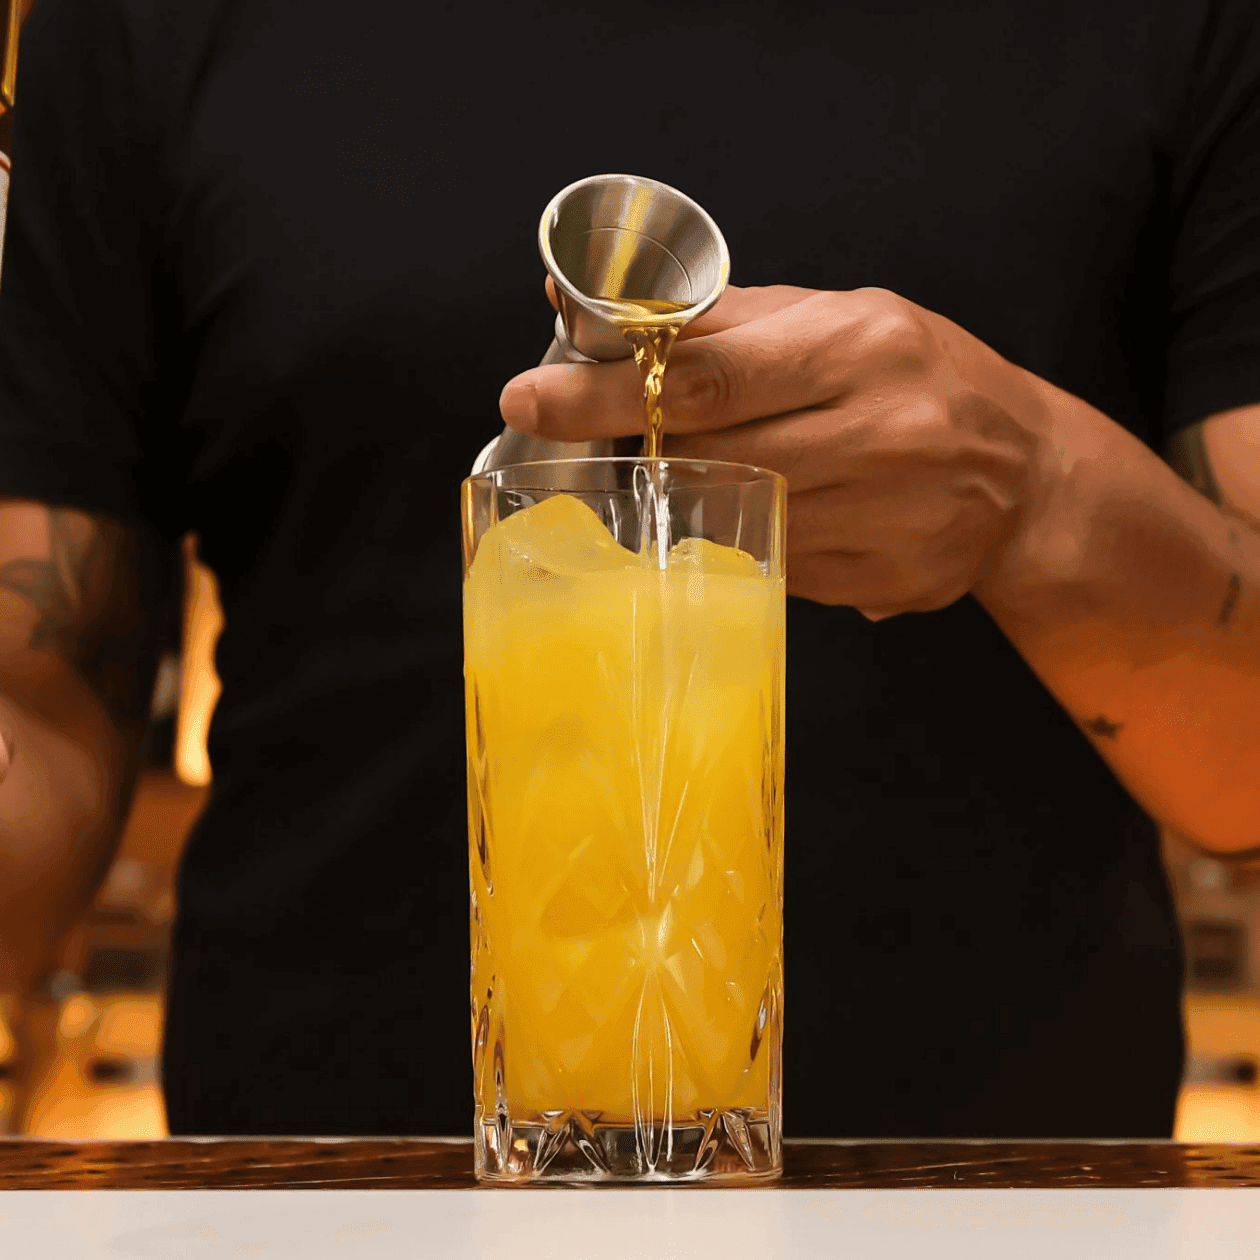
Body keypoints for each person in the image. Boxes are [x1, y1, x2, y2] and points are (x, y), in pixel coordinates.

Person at [0, 0, 1257, 1139]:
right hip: (317, 1190)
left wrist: (1036, 490)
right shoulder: (132, 21)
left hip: (1003, 1190)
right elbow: (41, 709)